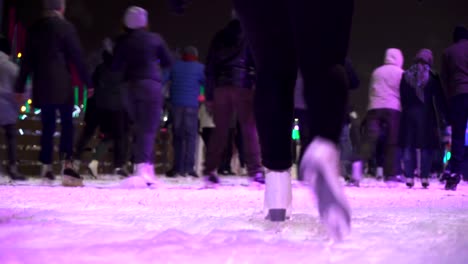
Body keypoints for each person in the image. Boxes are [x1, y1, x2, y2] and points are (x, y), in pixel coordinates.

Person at [14, 0, 93, 187]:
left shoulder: (35, 28)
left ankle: (46, 167)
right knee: (67, 123)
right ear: (61, 8)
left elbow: (27, 59)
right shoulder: (66, 28)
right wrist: (88, 82)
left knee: (47, 125)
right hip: (62, 84)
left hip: (42, 83)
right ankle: (67, 164)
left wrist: (19, 86)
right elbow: (77, 56)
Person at [112, 6, 173, 185]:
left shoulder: (122, 41)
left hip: (128, 86)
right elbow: (168, 61)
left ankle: (147, 168)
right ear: (145, 22)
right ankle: (142, 169)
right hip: (150, 85)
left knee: (140, 127)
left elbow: (115, 67)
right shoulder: (154, 39)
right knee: (148, 128)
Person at [203, 13, 264, 185]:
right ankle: (255, 170)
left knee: (220, 130)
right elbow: (257, 62)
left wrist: (209, 94)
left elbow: (210, 66)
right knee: (249, 129)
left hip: (220, 87)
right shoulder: (251, 34)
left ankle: (210, 169)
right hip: (243, 85)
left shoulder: (219, 36)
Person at [352, 48, 405, 186]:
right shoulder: (401, 73)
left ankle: (357, 169)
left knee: (369, 140)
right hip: (393, 108)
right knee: (391, 142)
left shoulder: (377, 71)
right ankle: (391, 175)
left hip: (374, 108)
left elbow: (371, 90)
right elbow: (403, 93)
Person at [400, 49, 447, 189]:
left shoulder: (405, 75)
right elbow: (439, 99)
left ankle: (409, 177)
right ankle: (425, 177)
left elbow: (402, 96)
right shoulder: (432, 76)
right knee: (427, 146)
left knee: (409, 145)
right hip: (427, 115)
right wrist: (444, 117)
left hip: (409, 113)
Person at [166, 46, 205, 178]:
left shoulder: (174, 66)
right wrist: (202, 95)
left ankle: (177, 168)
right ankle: (189, 168)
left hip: (176, 104)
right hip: (192, 105)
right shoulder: (200, 68)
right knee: (190, 137)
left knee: (177, 136)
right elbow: (206, 84)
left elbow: (163, 80)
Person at [440, 25, 468, 191]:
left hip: (457, 95)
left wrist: (449, 99)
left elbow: (444, 79)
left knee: (458, 136)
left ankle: (454, 175)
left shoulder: (448, 52)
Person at [0, 37, 26, 181]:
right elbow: (22, 86)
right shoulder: (11, 67)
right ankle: (12, 167)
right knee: (10, 137)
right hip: (6, 107)